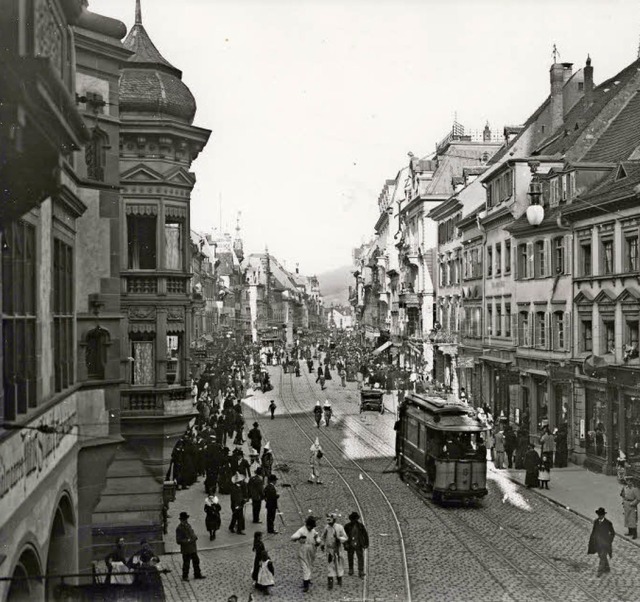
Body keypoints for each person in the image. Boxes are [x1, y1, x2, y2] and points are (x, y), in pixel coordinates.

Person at [291, 515, 321, 593]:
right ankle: (306, 584)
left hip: (312, 550)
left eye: (312, 527)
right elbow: (293, 537)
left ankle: (308, 580)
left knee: (310, 564)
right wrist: (299, 537)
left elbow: (318, 538)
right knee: (304, 566)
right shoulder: (301, 530)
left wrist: (318, 541)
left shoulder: (313, 531)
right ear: (307, 525)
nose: (311, 528)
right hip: (303, 550)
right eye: (310, 526)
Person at [320, 513, 348, 590]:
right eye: (328, 520)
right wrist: (322, 544)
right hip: (329, 550)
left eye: (330, 520)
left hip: (338, 550)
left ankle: (339, 579)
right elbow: (323, 537)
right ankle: (330, 583)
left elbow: (345, 537)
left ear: (334, 520)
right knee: (330, 566)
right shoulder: (327, 528)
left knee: (339, 565)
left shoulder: (339, 527)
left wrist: (339, 538)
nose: (329, 522)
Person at [176, 512, 205, 581]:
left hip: (192, 547)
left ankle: (197, 574)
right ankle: (185, 576)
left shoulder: (188, 525)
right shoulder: (179, 528)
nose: (185, 520)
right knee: (186, 563)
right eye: (184, 519)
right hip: (186, 549)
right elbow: (178, 540)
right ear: (181, 520)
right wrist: (188, 540)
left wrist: (194, 537)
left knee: (196, 561)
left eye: (186, 519)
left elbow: (191, 533)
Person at [588, 507, 615, 577]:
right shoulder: (596, 522)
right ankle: (607, 568)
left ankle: (599, 571)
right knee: (601, 556)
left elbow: (612, 533)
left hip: (605, 544)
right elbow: (593, 532)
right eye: (598, 515)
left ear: (603, 515)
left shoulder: (608, 523)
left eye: (601, 515)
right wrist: (591, 541)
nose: (599, 517)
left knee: (603, 556)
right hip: (597, 543)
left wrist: (609, 540)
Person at [344, 512, 369, 578]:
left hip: (359, 544)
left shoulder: (360, 526)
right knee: (350, 557)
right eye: (353, 519)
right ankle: (351, 569)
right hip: (350, 544)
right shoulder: (347, 526)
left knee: (360, 557)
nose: (354, 520)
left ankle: (360, 570)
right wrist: (345, 544)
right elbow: (344, 536)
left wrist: (366, 543)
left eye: (355, 519)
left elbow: (365, 535)